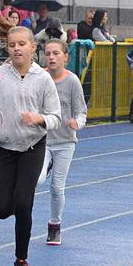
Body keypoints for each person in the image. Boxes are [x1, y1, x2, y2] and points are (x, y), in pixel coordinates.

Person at [0, 26, 62, 266]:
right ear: (7, 48)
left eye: (22, 44)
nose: (17, 49)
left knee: (24, 203)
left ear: (33, 48)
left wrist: (40, 119)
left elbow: (56, 117)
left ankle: (21, 260)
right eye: (12, 45)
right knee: (1, 210)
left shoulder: (43, 79)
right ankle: (16, 198)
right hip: (5, 148)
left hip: (33, 147)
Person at [39, 38, 86, 246]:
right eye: (48, 53)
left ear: (65, 57)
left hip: (65, 142)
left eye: (56, 53)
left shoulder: (72, 81)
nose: (51, 57)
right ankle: (45, 165)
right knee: (37, 181)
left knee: (57, 188)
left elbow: (82, 111)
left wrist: (78, 122)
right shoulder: (39, 78)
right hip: (42, 141)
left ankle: (54, 225)